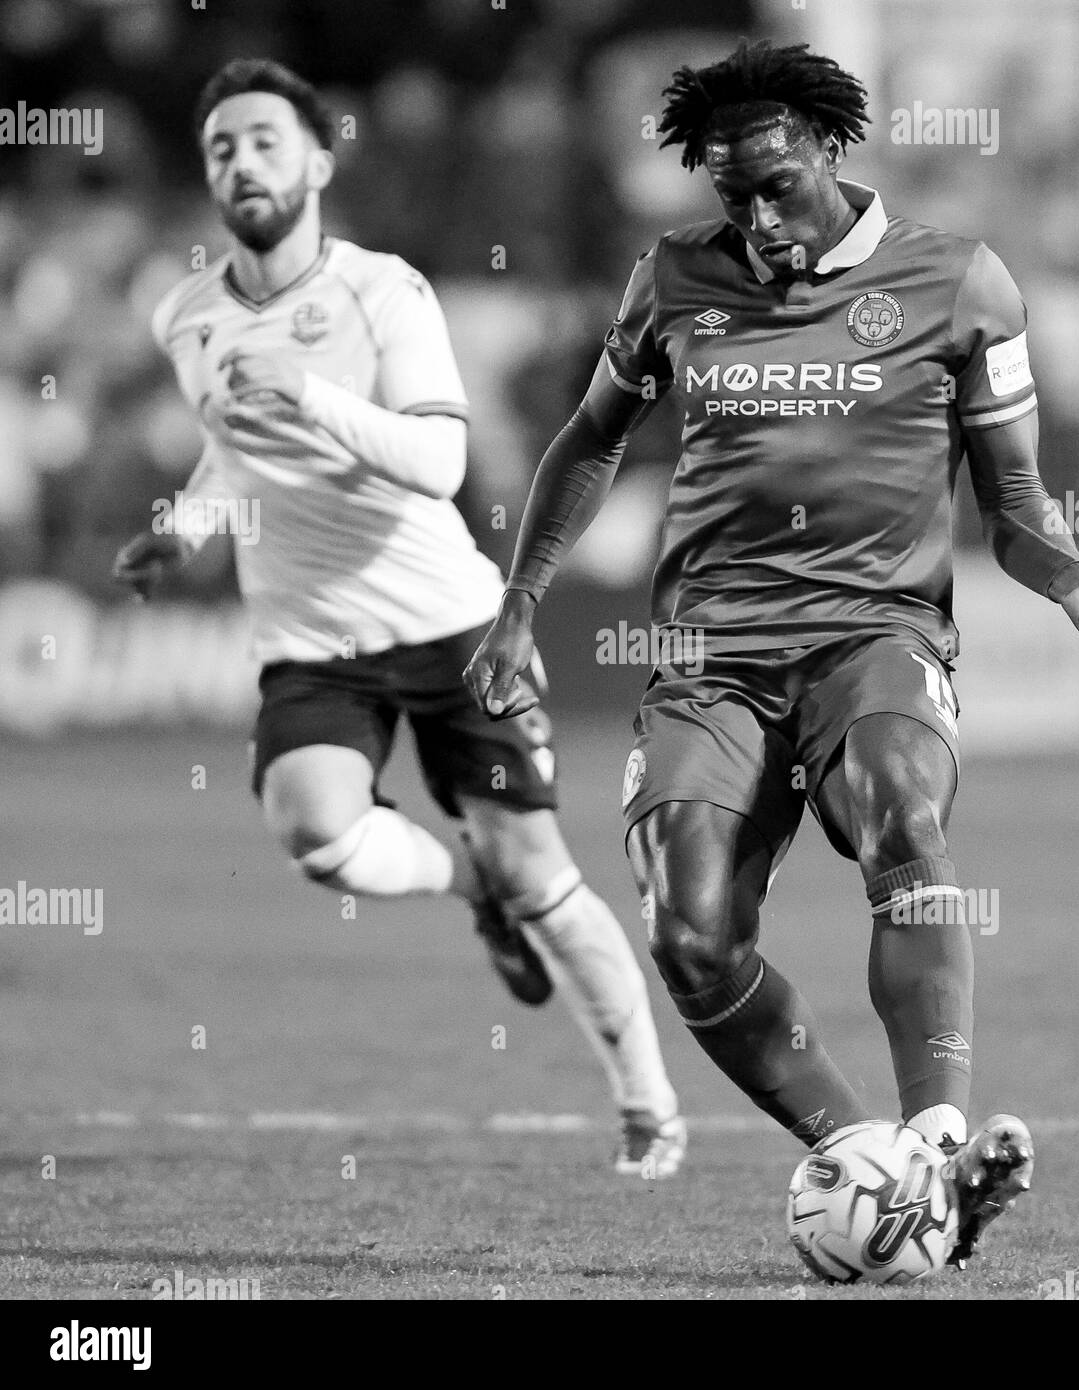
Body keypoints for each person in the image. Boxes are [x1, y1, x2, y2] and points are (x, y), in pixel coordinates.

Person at [464, 40, 1079, 1264]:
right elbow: (588, 439)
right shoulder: (671, 279)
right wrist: (519, 598)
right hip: (710, 657)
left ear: (830, 151)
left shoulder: (960, 283)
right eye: (729, 193)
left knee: (904, 812)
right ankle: (900, 1182)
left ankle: (938, 1134)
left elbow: (1013, 506)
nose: (756, 217)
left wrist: (1073, 579)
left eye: (775, 185)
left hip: (874, 633)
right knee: (690, 935)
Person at [112, 58, 685, 1177]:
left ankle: (649, 1105)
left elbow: (440, 458)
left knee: (547, 877)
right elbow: (235, 449)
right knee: (313, 833)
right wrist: (183, 528)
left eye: (267, 140)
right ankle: (478, 890)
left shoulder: (385, 293)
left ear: (319, 161)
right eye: (223, 146)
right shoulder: (184, 314)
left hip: (451, 621)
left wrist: (315, 397)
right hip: (310, 635)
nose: (243, 162)